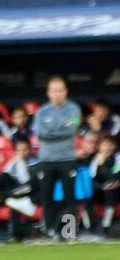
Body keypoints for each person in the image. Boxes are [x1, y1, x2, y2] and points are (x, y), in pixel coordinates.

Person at [32, 76, 82, 239]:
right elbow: (41, 133)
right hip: (46, 160)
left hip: (67, 159)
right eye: (54, 91)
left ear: (65, 91)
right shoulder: (41, 112)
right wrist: (61, 128)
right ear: (48, 93)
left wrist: (52, 131)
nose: (57, 94)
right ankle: (49, 231)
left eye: (60, 91)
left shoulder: (74, 109)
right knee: (47, 198)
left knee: (70, 198)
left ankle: (70, 232)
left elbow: (72, 129)